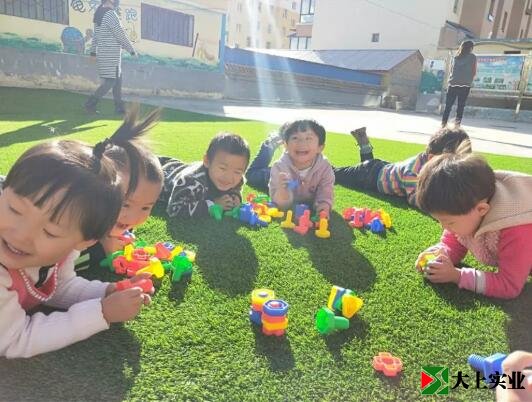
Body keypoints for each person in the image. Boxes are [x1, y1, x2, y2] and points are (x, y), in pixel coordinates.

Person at [0, 139, 151, 358]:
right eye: (14, 209)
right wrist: (101, 313)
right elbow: (13, 339)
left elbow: (58, 286)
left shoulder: (63, 251)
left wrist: (107, 291)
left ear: (85, 241)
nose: (21, 234)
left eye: (50, 232)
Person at [415, 153, 532, 299]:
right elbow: (452, 245)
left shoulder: (516, 228)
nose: (443, 227)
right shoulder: (467, 209)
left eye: (449, 222)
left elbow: (508, 285)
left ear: (481, 209)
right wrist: (438, 256)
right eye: (439, 221)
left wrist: (457, 276)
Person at [75, 106, 164, 271]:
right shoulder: (73, 220)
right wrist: (101, 250)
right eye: (125, 204)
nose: (133, 217)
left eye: (145, 208)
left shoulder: (120, 220)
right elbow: (54, 263)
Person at [334, 126, 470, 208]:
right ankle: (324, 167)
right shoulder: (414, 172)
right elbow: (415, 198)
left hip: (383, 168)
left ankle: (364, 144)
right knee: (338, 175)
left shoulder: (431, 162)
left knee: (367, 165)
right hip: (370, 176)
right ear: (431, 158)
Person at [245, 120, 334, 217]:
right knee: (251, 175)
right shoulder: (279, 168)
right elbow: (280, 204)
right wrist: (282, 191)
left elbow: (325, 192)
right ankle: (269, 145)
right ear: (286, 146)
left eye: (308, 138)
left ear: (320, 147)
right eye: (295, 138)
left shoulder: (324, 168)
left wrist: (323, 206)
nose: (301, 143)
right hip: (272, 176)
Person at [159, 132, 250, 218]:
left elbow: (236, 188)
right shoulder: (191, 181)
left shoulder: (238, 179)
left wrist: (235, 196)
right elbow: (174, 209)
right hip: (162, 172)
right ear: (207, 161)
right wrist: (212, 205)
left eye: (237, 172)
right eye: (222, 168)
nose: (228, 177)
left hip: (180, 167)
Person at [85, 0, 136, 115]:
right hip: (111, 55)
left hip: (105, 53)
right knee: (111, 81)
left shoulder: (99, 14)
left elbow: (95, 36)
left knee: (117, 81)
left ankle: (119, 107)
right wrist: (131, 50)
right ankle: (90, 104)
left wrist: (93, 52)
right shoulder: (110, 14)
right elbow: (120, 35)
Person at [441, 40, 477, 127]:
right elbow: (474, 71)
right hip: (465, 85)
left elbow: (451, 70)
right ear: (471, 48)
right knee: (460, 106)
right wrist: (469, 80)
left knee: (448, 106)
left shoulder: (456, 57)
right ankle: (457, 126)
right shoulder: (472, 57)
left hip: (452, 84)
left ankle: (443, 124)